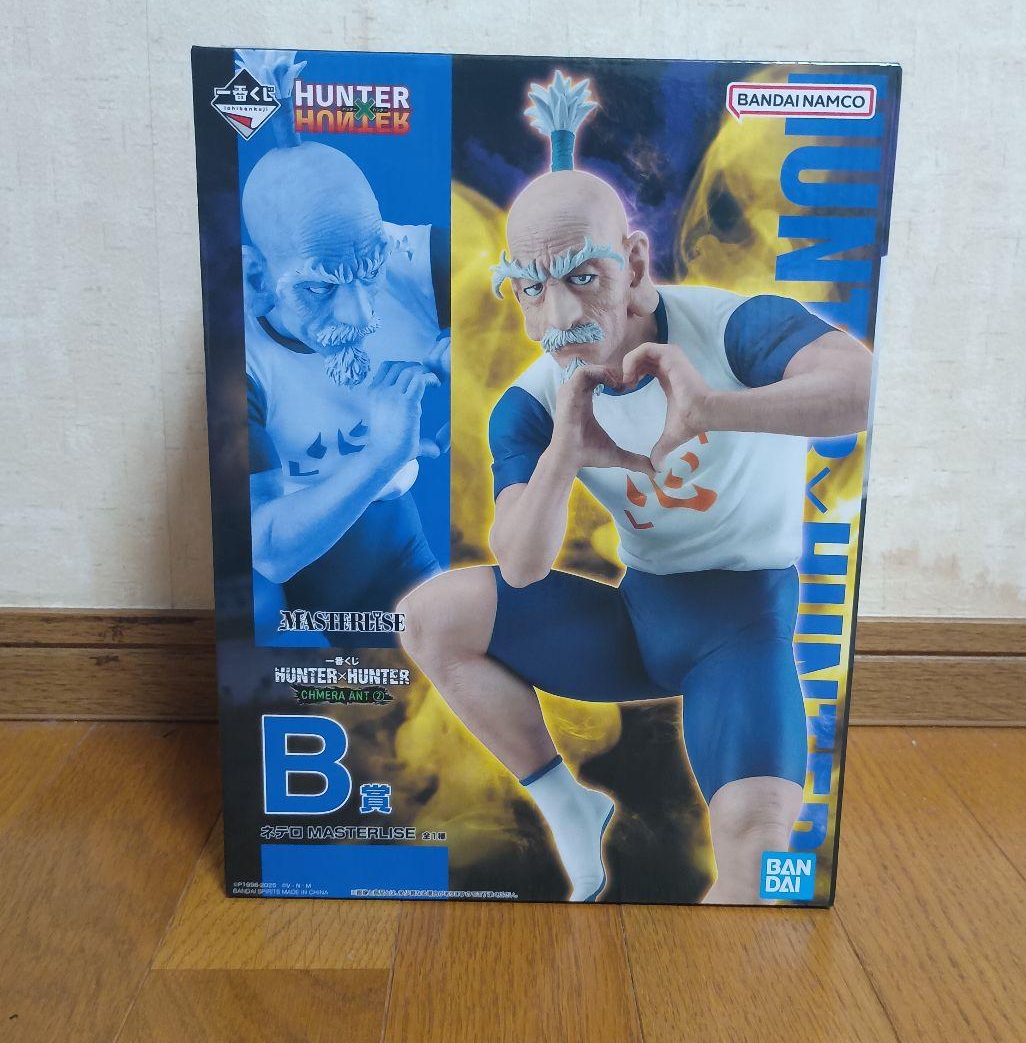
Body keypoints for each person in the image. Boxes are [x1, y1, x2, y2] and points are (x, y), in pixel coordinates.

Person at [399, 72, 871, 902]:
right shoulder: (534, 401)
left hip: (742, 629)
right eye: (532, 287)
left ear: (638, 264)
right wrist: (565, 454)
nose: (558, 316)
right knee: (429, 616)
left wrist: (718, 407)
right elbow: (520, 566)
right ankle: (568, 804)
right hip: (638, 620)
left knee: (756, 841)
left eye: (583, 277)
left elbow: (861, 390)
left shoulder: (729, 326)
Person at [239, 50, 449, 645]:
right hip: (307, 592)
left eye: (370, 269)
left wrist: (488, 362)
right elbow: (269, 550)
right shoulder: (245, 362)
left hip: (404, 546)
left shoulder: (413, 260)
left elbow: (549, 298)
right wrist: (384, 453)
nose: (361, 316)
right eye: (319, 287)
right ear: (258, 281)